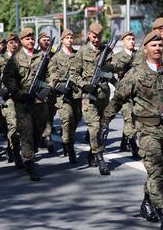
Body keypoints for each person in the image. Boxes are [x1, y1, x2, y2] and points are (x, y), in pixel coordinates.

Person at [100, 31, 163, 229]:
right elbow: (117, 100)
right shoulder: (135, 74)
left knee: (159, 170)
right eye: (154, 45)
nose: (158, 48)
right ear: (145, 48)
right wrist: (105, 123)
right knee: (157, 171)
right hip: (146, 130)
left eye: (161, 46)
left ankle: (147, 202)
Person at [3, 28, 57, 181]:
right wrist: (17, 93)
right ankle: (30, 162)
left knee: (38, 130)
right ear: (21, 41)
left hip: (40, 100)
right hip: (23, 100)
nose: (30, 41)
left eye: (32, 38)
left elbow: (52, 73)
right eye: (27, 39)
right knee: (26, 132)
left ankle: (28, 153)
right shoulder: (16, 57)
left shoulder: (42, 56)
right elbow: (8, 77)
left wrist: (48, 87)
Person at [69, 23, 112, 175]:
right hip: (88, 96)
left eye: (99, 37)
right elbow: (73, 73)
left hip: (103, 95)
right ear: (89, 35)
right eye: (94, 37)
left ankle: (91, 153)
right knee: (94, 128)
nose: (96, 40)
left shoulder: (106, 50)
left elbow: (112, 71)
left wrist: (109, 72)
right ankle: (101, 159)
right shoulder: (82, 51)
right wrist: (84, 85)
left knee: (102, 129)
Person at [0, 32, 23, 167]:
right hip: (8, 97)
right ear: (7, 44)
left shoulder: (23, 58)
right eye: (11, 42)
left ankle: (12, 148)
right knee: (13, 125)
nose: (14, 45)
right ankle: (16, 153)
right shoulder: (0, 58)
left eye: (16, 42)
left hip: (21, 95)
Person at [51, 29, 81, 163]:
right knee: (67, 117)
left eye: (71, 37)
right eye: (67, 37)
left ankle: (67, 136)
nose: (70, 39)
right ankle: (69, 145)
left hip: (76, 92)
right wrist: (57, 85)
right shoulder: (56, 57)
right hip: (62, 93)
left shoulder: (77, 54)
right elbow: (51, 74)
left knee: (77, 118)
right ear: (62, 40)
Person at [110, 31, 139, 157]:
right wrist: (117, 84)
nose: (132, 41)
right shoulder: (118, 56)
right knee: (128, 118)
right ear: (123, 41)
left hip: (137, 93)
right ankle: (134, 146)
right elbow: (111, 70)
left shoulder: (139, 55)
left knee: (135, 119)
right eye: (129, 39)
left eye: (133, 39)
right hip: (124, 94)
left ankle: (123, 143)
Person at [38, 32, 56, 153]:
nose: (46, 42)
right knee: (41, 114)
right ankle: (46, 136)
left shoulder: (54, 55)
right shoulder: (35, 55)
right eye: (43, 40)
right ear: (39, 41)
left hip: (51, 88)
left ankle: (45, 135)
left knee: (51, 113)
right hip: (39, 88)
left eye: (48, 40)